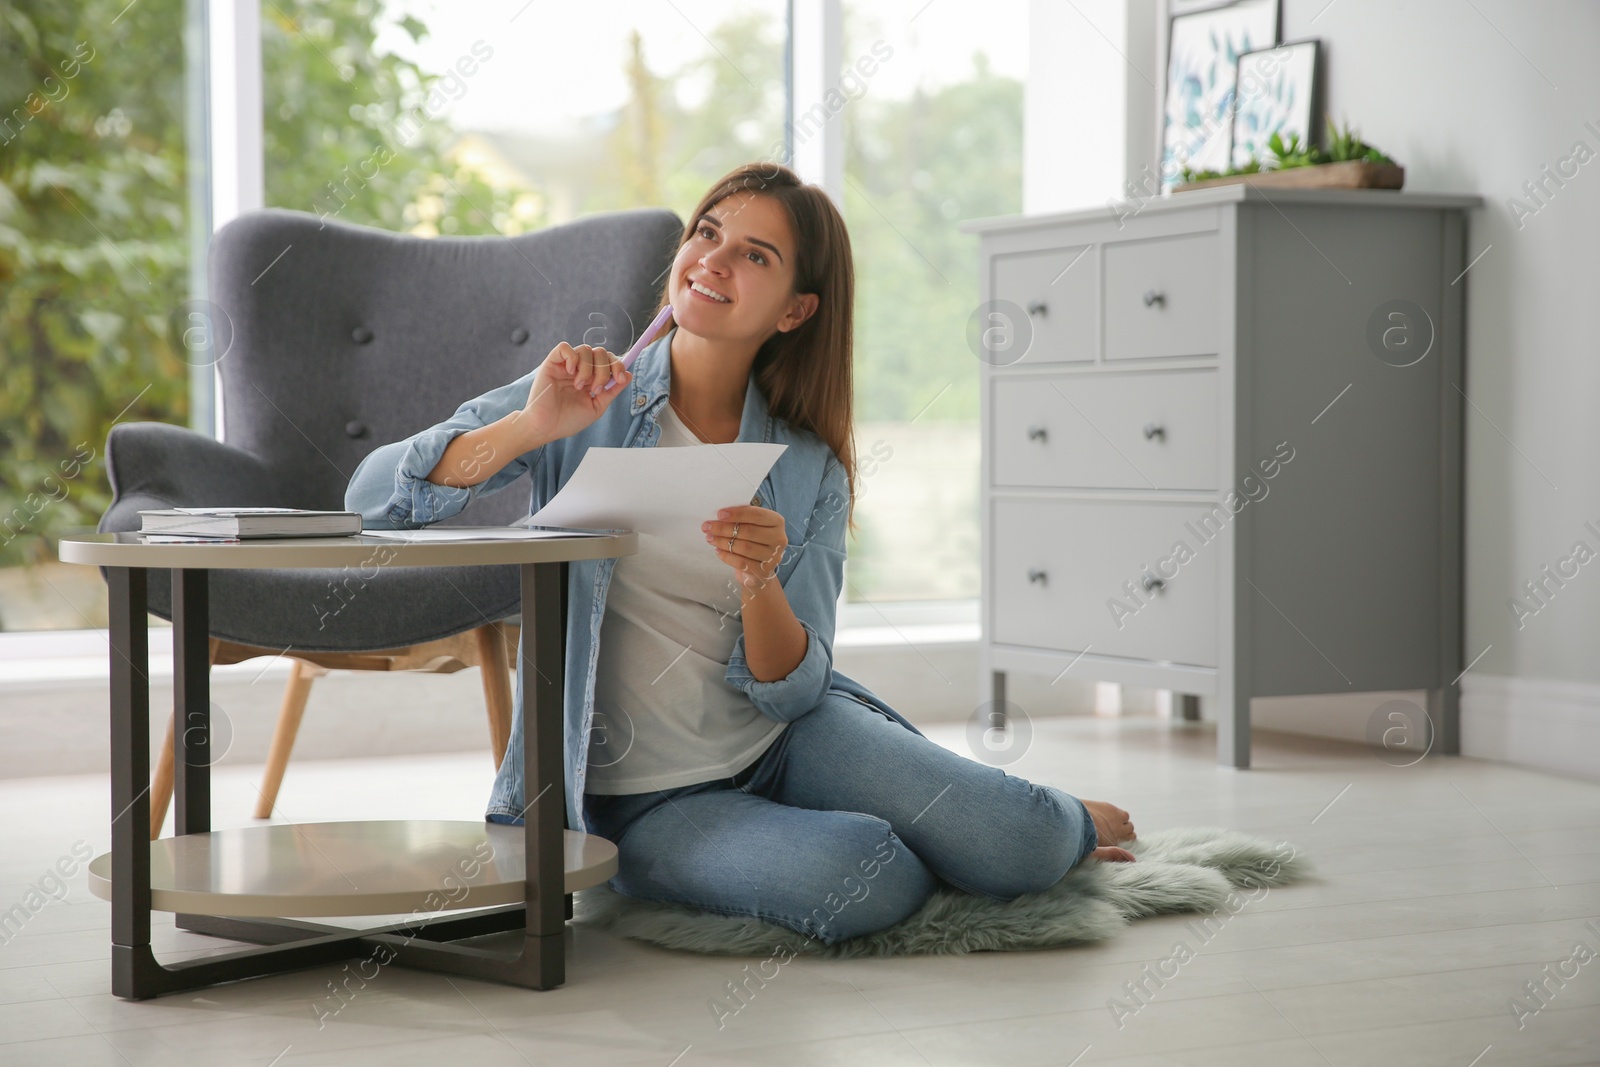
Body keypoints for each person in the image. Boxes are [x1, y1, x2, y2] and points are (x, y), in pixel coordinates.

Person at [345, 161, 1136, 946]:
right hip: (644, 802)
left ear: (795, 311)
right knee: (868, 878)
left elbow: (793, 692)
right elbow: (375, 497)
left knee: (1026, 843)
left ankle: (1047, 819)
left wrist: (760, 581)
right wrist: (530, 427)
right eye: (708, 232)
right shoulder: (580, 399)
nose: (715, 259)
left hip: (788, 740)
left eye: (756, 254)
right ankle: (913, 835)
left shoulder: (808, 466)